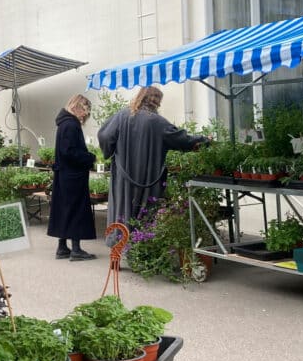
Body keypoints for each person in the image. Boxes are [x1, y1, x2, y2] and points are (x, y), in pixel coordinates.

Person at [97, 86, 207, 239]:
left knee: (121, 209)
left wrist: (111, 152)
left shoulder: (122, 115)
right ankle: (140, 248)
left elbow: (105, 135)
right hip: (147, 177)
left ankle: (117, 246)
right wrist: (204, 140)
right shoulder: (157, 122)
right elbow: (180, 138)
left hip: (123, 177)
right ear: (156, 102)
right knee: (144, 211)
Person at [47, 94, 98, 261]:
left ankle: (62, 247)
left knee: (65, 209)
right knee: (77, 210)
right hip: (73, 176)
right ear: (76, 107)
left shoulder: (64, 123)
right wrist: (89, 157)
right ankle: (76, 249)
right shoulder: (71, 125)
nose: (85, 115)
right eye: (84, 110)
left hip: (64, 175)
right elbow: (69, 152)